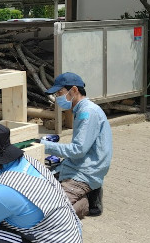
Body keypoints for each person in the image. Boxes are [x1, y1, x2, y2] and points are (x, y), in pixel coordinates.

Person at [42, 72, 112, 218]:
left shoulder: (87, 112)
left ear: (74, 90)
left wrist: (44, 146)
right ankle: (90, 193)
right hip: (78, 166)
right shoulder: (81, 109)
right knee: (41, 186)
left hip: (85, 172)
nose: (57, 98)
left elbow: (77, 150)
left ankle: (86, 201)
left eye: (59, 93)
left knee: (52, 210)